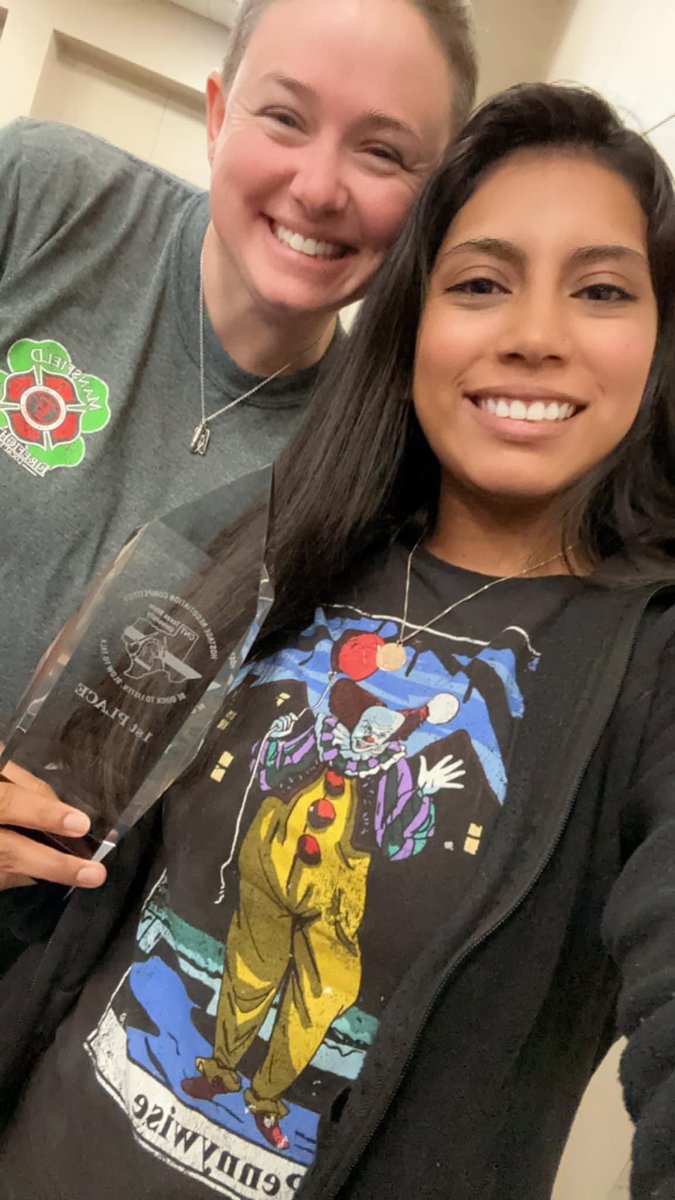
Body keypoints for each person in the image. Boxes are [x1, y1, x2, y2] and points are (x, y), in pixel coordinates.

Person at [2, 80, 675, 1200]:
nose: (534, 337)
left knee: (310, 990)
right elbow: (61, 857)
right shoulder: (272, 542)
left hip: (335, 884)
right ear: (413, 319)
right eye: (480, 283)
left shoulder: (650, 669)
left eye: (601, 290)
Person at [0, 0, 476, 729]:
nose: (317, 189)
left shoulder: (382, 464)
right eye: (285, 117)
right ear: (219, 117)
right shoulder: (42, 196)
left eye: (382, 152)